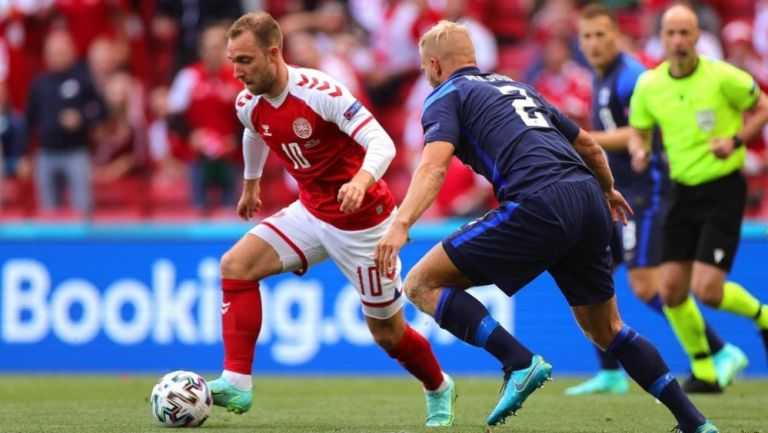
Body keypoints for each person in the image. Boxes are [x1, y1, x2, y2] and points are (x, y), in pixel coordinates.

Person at [375, 20, 718, 433]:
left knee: (420, 284)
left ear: (434, 65)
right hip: (589, 198)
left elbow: (433, 163)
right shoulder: (518, 86)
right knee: (607, 328)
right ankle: (695, 423)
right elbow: (588, 145)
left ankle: (518, 361)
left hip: (539, 200)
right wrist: (608, 191)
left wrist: (401, 222)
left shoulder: (445, 94)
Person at [206, 11, 456, 427]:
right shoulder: (247, 102)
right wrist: (251, 185)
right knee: (235, 265)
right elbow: (254, 132)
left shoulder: (320, 91)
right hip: (311, 211)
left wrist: (361, 179)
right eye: (233, 61)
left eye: (245, 61)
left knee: (388, 335)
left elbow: (381, 141)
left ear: (273, 54)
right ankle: (237, 381)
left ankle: (439, 386)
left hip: (365, 225)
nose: (236, 72)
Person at [567, 3, 747, 396]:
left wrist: (580, 137)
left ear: (618, 35)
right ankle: (612, 372)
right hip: (616, 192)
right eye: (587, 36)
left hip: (645, 193)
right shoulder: (600, 78)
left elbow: (639, 131)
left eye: (601, 35)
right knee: (587, 268)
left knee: (649, 286)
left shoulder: (632, 76)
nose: (594, 43)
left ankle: (720, 351)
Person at [629, 4, 768, 391]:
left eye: (684, 33)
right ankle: (705, 370)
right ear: (661, 38)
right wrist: (639, 150)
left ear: (697, 37)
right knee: (670, 291)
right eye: (670, 33)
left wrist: (736, 139)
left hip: (722, 188)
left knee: (708, 290)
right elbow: (639, 129)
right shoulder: (651, 85)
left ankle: (764, 317)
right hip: (680, 192)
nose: (677, 41)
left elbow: (762, 106)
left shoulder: (723, 77)